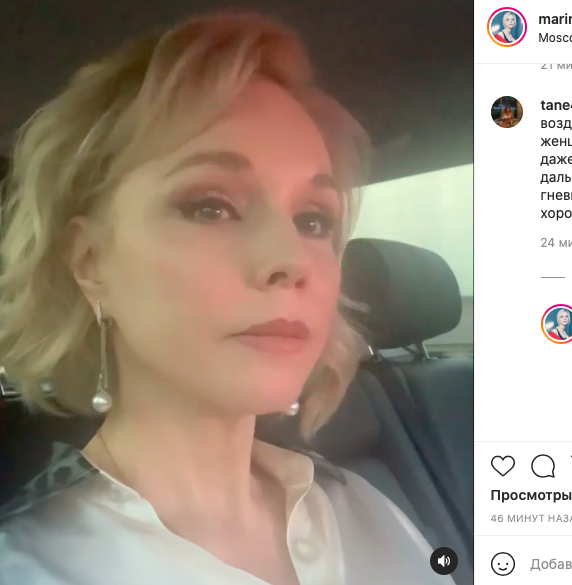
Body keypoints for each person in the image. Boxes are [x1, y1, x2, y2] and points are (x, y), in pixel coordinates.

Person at [0, 12, 454, 585]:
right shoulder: (27, 566)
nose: (290, 259)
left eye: (313, 220)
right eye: (210, 206)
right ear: (90, 261)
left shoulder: (364, 508)